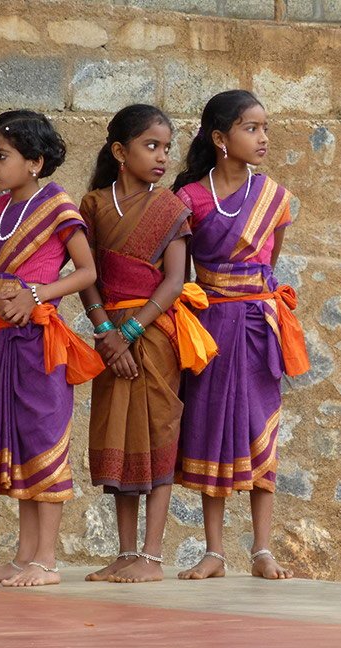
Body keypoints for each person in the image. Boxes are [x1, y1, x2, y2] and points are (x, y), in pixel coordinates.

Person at [0, 110, 103, 587]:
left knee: (43, 438)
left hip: (42, 342)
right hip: (6, 338)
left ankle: (46, 560)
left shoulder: (58, 205)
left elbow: (86, 272)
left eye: (3, 156)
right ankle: (22, 558)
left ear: (35, 162)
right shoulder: (0, 210)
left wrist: (36, 294)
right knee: (18, 441)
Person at [171, 90, 310, 581]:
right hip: (208, 330)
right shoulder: (187, 199)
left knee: (259, 427)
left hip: (256, 327)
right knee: (211, 427)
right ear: (220, 138)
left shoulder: (275, 198)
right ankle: (214, 552)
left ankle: (261, 549)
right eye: (251, 128)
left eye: (264, 128)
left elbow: (268, 262)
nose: (263, 137)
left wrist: (250, 299)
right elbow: (178, 273)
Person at [79, 104, 217, 583]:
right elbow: (88, 275)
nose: (161, 157)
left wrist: (130, 333)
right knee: (118, 434)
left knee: (158, 432)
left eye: (166, 148)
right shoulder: (93, 205)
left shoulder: (171, 209)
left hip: (154, 334)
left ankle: (153, 556)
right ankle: (124, 552)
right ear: (120, 151)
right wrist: (104, 331)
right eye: (150, 146)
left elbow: (176, 280)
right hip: (108, 335)